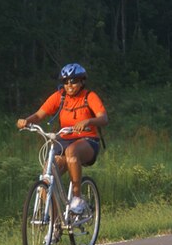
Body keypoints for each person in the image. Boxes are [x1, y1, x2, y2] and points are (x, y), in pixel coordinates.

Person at [17, 63, 109, 213]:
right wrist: (26, 121)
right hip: (64, 140)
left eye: (73, 81)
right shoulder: (59, 97)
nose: (69, 85)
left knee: (72, 151)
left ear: (81, 81)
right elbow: (39, 115)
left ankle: (77, 198)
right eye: (65, 82)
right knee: (47, 173)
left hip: (87, 141)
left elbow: (104, 118)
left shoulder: (89, 97)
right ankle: (55, 223)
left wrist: (88, 121)